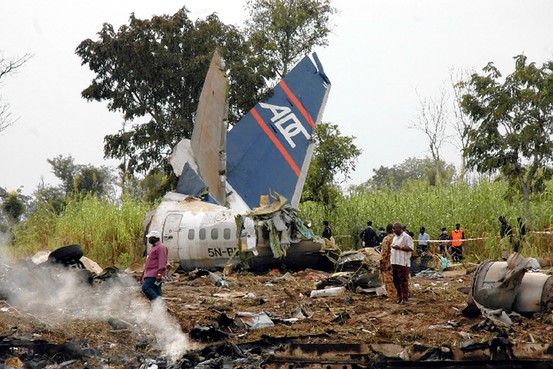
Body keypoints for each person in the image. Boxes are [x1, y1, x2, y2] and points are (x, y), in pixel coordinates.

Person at [141, 230, 169, 301]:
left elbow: (162, 261)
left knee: (146, 287)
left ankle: (158, 304)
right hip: (150, 273)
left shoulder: (161, 247)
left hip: (154, 274)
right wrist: (143, 274)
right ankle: (159, 310)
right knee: (156, 290)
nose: (149, 239)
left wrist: (159, 274)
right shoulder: (154, 248)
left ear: (156, 238)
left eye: (150, 238)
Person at [391, 222, 414, 305]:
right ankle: (399, 296)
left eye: (395, 229)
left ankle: (405, 298)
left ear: (400, 229)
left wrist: (399, 247)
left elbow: (411, 248)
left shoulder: (406, 237)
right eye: (393, 229)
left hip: (402, 262)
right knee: (396, 281)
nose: (394, 231)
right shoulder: (395, 237)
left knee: (403, 281)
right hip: (394, 261)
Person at [378, 223, 397, 299]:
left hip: (388, 262)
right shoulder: (397, 237)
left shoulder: (387, 239)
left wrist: (381, 261)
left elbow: (385, 252)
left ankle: (392, 295)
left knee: (388, 279)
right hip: (397, 260)